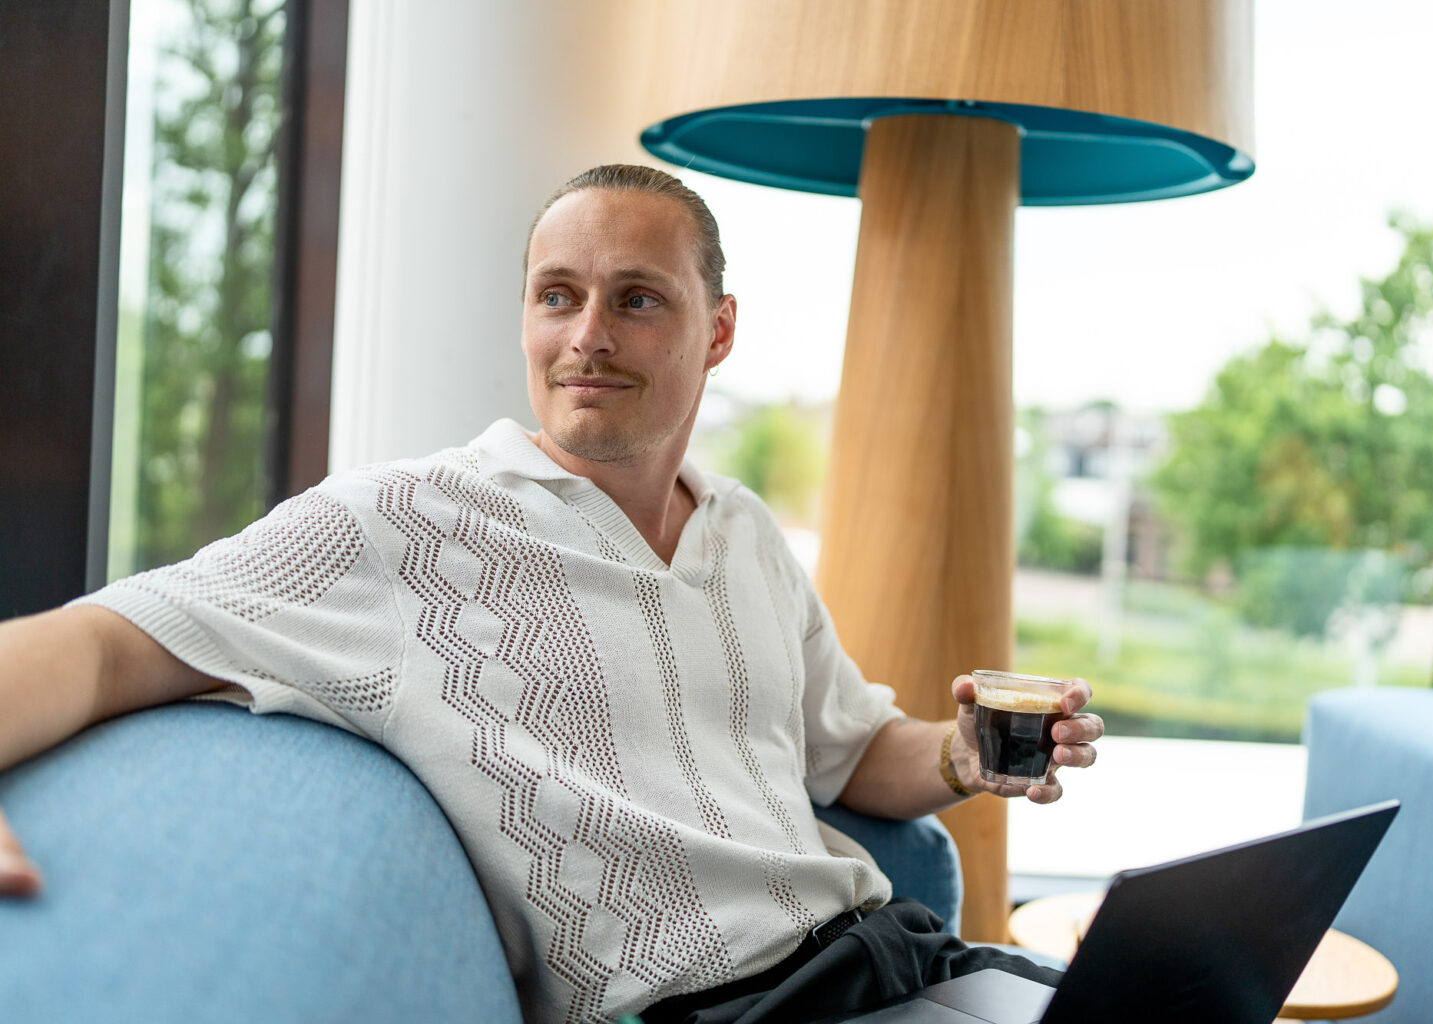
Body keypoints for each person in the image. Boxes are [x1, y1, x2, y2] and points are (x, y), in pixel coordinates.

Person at [0, 164, 1103, 1024]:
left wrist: (962, 755)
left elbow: (850, 751)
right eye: (557, 297)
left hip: (897, 958)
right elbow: (100, 643)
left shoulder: (744, 531)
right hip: (724, 1008)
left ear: (719, 329)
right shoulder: (402, 525)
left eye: (637, 300)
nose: (589, 336)